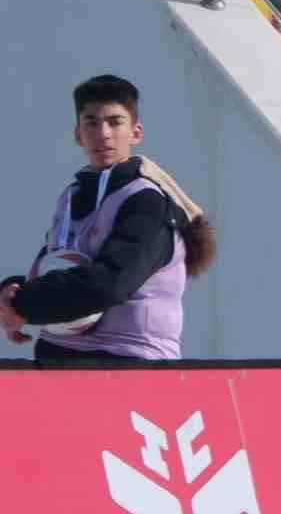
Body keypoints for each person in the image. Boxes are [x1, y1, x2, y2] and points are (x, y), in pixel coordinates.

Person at [0, 74, 214, 363]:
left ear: (136, 133)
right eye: (92, 122)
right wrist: (11, 295)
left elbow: (108, 283)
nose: (103, 133)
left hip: (131, 361)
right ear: (78, 134)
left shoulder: (147, 201)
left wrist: (26, 305)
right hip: (60, 355)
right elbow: (51, 266)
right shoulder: (72, 194)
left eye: (115, 122)